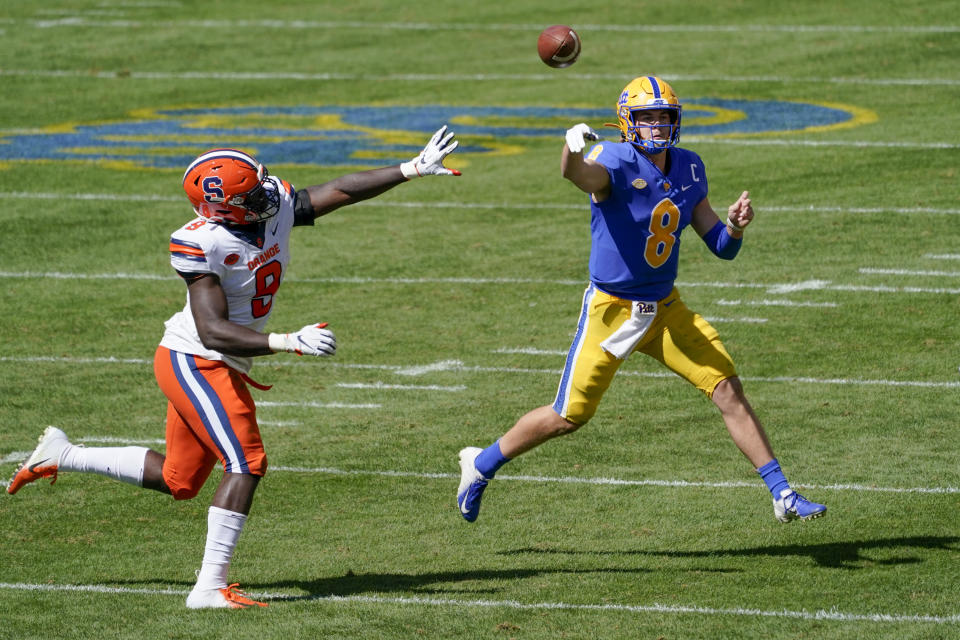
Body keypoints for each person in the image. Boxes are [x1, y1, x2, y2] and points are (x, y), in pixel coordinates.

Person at [7, 125, 461, 609]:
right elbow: (212, 331)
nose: (268, 197)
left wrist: (409, 168)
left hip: (217, 360)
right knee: (246, 462)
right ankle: (208, 587)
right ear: (218, 209)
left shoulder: (269, 204)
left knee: (179, 480)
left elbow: (338, 190)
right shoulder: (199, 243)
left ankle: (62, 453)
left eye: (261, 186)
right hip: (195, 360)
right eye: (251, 195)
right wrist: (289, 341)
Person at [456, 76, 826, 525]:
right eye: (646, 116)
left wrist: (735, 226)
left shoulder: (689, 167)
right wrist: (570, 148)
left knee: (727, 387)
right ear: (626, 121)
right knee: (569, 416)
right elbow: (576, 175)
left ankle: (782, 493)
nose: (655, 125)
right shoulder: (611, 158)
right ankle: (481, 464)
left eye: (663, 116)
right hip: (613, 311)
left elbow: (722, 248)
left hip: (664, 308)